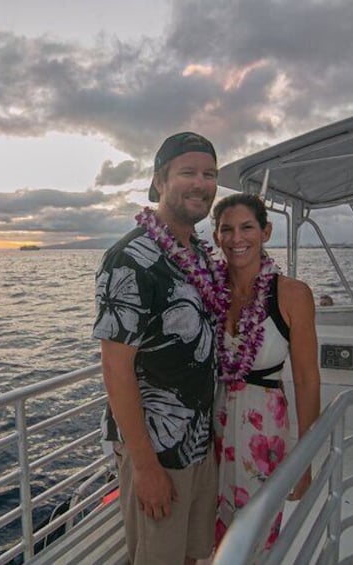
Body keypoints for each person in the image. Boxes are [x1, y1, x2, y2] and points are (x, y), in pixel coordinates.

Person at [92, 131, 221, 564]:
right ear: (159, 181)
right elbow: (115, 369)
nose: (201, 183)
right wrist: (146, 468)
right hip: (158, 448)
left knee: (191, 554)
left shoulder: (199, 255)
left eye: (209, 174)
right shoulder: (129, 258)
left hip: (198, 440)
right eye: (188, 172)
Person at [211, 193, 321, 551]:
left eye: (247, 227)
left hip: (263, 427)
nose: (236, 238)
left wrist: (304, 461)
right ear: (216, 237)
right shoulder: (210, 291)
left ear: (266, 231)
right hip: (213, 424)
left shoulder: (292, 294)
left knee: (255, 531)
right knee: (211, 524)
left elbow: (306, 380)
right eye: (226, 229)